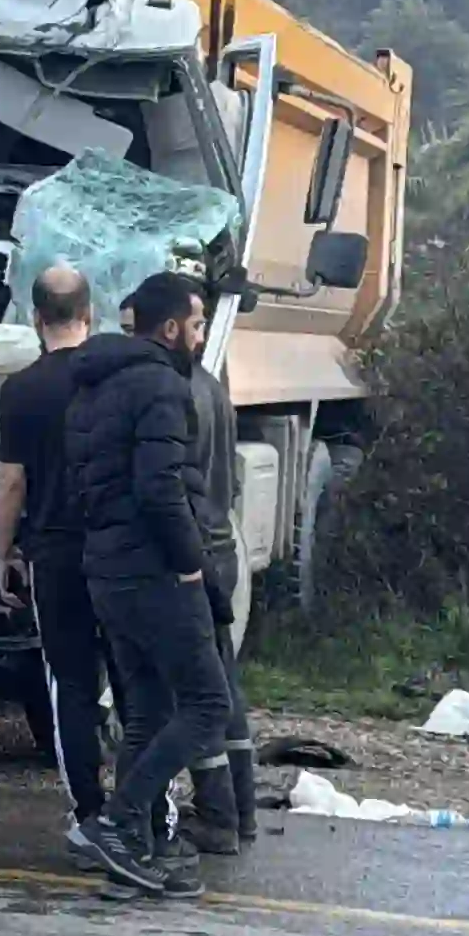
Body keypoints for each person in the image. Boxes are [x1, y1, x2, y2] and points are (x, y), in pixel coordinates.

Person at [62, 271, 235, 896]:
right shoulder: (161, 385)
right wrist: (190, 563)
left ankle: (130, 851)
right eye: (196, 327)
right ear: (170, 329)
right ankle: (115, 821)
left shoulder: (92, 384)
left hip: (107, 569)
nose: (199, 339)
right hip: (155, 573)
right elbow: (161, 487)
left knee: (149, 712)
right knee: (208, 705)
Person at [0, 265, 111, 868]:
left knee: (70, 683)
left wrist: (1, 551)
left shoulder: (20, 390)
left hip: (54, 553)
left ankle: (89, 812)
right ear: (90, 316)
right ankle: (141, 809)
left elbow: (11, 484)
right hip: (118, 553)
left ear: (36, 320)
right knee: (133, 675)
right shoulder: (117, 382)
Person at [186, 356, 260, 857]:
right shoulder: (212, 387)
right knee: (224, 683)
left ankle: (216, 818)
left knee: (195, 694)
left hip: (191, 556)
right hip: (219, 549)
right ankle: (243, 810)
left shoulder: (174, 394)